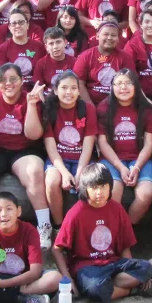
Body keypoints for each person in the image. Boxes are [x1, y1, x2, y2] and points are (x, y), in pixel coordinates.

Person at [51, 163, 152, 303]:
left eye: (103, 186)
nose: (99, 192)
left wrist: (130, 269)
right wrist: (67, 279)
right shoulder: (76, 213)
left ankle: (113, 286)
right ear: (85, 189)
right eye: (94, 187)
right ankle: (133, 290)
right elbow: (57, 249)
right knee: (96, 289)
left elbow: (125, 245)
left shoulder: (117, 209)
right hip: (87, 267)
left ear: (110, 187)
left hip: (113, 263)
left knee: (147, 268)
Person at [0, 65, 52, 243]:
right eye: (3, 80)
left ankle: (44, 227)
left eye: (13, 79)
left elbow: (33, 134)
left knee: (34, 171)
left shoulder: (29, 98)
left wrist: (30, 105)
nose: (8, 84)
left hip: (24, 149)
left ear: (21, 81)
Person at [97, 69, 152, 225]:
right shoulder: (103, 108)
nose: (123, 88)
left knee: (146, 194)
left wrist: (136, 167)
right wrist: (120, 167)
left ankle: (126, 229)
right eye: (118, 84)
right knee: (113, 191)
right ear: (112, 87)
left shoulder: (146, 109)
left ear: (136, 86)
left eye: (128, 83)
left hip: (139, 159)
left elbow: (149, 143)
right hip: (112, 159)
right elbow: (102, 142)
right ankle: (114, 231)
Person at [41, 71, 97, 225]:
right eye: (64, 88)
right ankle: (59, 226)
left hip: (82, 159)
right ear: (55, 90)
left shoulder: (87, 109)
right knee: (52, 181)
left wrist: (79, 171)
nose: (69, 92)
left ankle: (84, 225)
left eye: (73, 88)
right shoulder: (49, 109)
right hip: (58, 159)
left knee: (89, 182)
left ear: (79, 91)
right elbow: (51, 147)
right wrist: (64, 173)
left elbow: (88, 144)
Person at [75, 22, 133, 103]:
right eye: (106, 34)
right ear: (98, 36)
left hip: (117, 104)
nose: (109, 38)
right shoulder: (85, 56)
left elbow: (130, 83)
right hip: (91, 103)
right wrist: (90, 107)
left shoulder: (125, 57)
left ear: (118, 38)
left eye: (113, 35)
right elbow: (79, 83)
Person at [0, 7, 44, 89]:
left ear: (27, 25)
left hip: (35, 90)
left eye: (21, 22)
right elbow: (0, 76)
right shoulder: (3, 48)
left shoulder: (39, 47)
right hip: (12, 89)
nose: (17, 26)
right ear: (9, 27)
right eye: (14, 23)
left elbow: (44, 73)